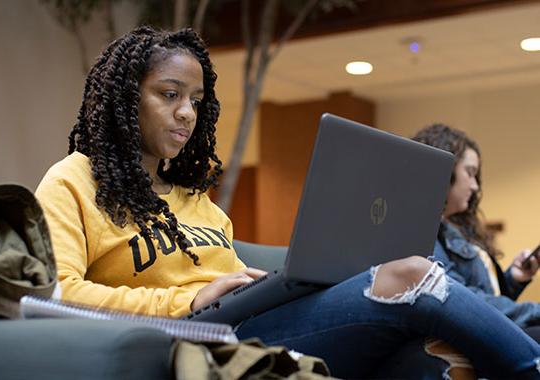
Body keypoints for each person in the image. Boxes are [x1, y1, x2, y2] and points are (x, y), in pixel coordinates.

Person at [35, 26, 540, 379]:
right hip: (185, 337)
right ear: (126, 99)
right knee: (409, 274)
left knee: (427, 355)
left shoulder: (200, 204)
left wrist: (269, 287)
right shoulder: (72, 182)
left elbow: (234, 285)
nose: (187, 113)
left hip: (248, 323)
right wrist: (186, 300)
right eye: (169, 95)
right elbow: (53, 295)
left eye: (195, 100)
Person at [413, 124, 540, 337]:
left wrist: (514, 279)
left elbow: (485, 296)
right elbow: (462, 298)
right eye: (470, 173)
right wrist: (535, 310)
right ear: (445, 169)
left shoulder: (452, 227)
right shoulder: (421, 230)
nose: (474, 186)